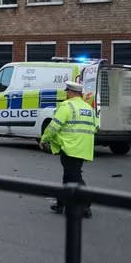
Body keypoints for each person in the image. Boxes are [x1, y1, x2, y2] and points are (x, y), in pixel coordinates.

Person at [40, 80, 97, 218]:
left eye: (67, 92)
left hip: (70, 147)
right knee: (68, 175)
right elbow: (96, 126)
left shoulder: (67, 106)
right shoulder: (88, 108)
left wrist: (44, 139)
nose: (66, 95)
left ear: (71, 93)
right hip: (84, 148)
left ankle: (86, 205)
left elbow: (54, 126)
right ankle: (61, 204)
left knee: (74, 177)